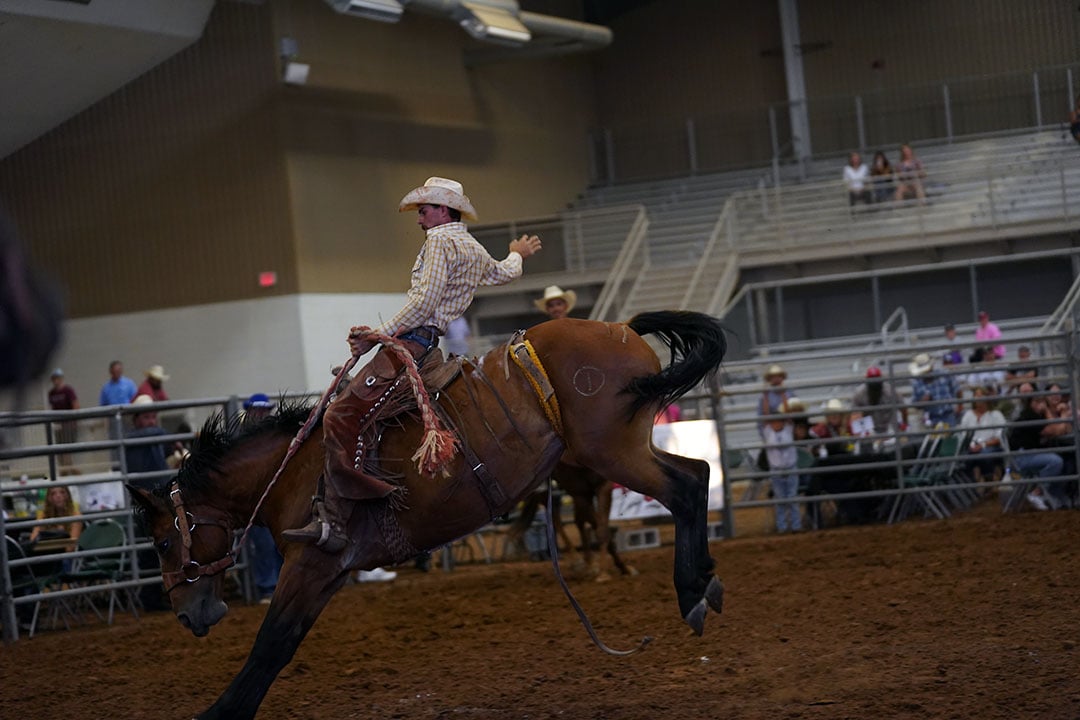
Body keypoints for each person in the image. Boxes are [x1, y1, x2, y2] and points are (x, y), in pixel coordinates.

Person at [283, 176, 542, 552]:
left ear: (442, 210)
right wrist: (518, 253)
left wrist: (377, 334)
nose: (419, 219)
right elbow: (505, 273)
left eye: (423, 211)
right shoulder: (470, 246)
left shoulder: (440, 241)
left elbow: (423, 302)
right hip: (429, 346)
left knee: (339, 416)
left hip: (412, 342)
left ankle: (336, 520)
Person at [239, 393, 285, 603]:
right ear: (249, 412)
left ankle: (278, 586)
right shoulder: (247, 438)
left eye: (264, 411)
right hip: (255, 499)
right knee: (265, 544)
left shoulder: (269, 436)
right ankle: (268, 587)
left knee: (277, 542)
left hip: (272, 497)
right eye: (258, 410)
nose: (261, 414)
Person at [1008, 393, 1069, 510]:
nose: (1040, 405)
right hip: (1021, 457)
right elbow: (1055, 431)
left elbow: (1058, 430)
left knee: (1062, 458)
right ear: (1030, 403)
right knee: (1056, 461)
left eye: (1042, 401)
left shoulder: (1037, 415)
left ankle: (1055, 496)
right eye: (1036, 402)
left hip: (1028, 454)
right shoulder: (1030, 415)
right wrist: (1064, 415)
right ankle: (1037, 493)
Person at [762, 412, 800, 534]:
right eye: (773, 421)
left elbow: (789, 416)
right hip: (776, 470)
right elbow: (764, 417)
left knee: (792, 497)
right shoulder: (768, 432)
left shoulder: (788, 430)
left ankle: (796, 526)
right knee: (780, 499)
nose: (776, 424)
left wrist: (784, 401)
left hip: (790, 468)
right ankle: (782, 527)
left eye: (779, 421)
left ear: (784, 422)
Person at [960, 386, 1006, 484]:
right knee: (965, 456)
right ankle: (972, 482)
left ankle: (989, 480)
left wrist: (983, 445)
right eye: (976, 395)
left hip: (991, 446)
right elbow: (964, 435)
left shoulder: (996, 414)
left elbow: (1000, 437)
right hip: (972, 445)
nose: (978, 398)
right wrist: (972, 445)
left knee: (985, 454)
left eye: (980, 395)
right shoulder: (968, 415)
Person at [909, 353, 961, 428]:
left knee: (951, 433)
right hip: (930, 417)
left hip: (948, 414)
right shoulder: (917, 383)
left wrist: (960, 407)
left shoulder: (944, 375)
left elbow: (957, 390)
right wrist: (922, 401)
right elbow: (914, 404)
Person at [850, 366, 903, 440]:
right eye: (872, 380)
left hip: (888, 427)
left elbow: (903, 409)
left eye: (876, 379)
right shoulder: (859, 394)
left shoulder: (890, 391)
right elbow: (855, 416)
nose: (874, 382)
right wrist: (863, 434)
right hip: (869, 429)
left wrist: (903, 426)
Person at [28, 485, 82, 556]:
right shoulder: (43, 516)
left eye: (62, 492)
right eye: (53, 493)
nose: (58, 496)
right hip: (45, 556)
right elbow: (33, 542)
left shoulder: (75, 515)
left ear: (68, 496)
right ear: (49, 498)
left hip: (66, 556)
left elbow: (71, 547)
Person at [47, 368, 80, 465]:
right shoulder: (51, 393)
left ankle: (69, 465)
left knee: (68, 446)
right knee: (59, 446)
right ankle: (64, 466)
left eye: (57, 378)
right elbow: (52, 408)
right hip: (59, 425)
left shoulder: (68, 390)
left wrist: (74, 419)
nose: (56, 381)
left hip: (68, 423)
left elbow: (75, 405)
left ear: (61, 379)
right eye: (54, 378)